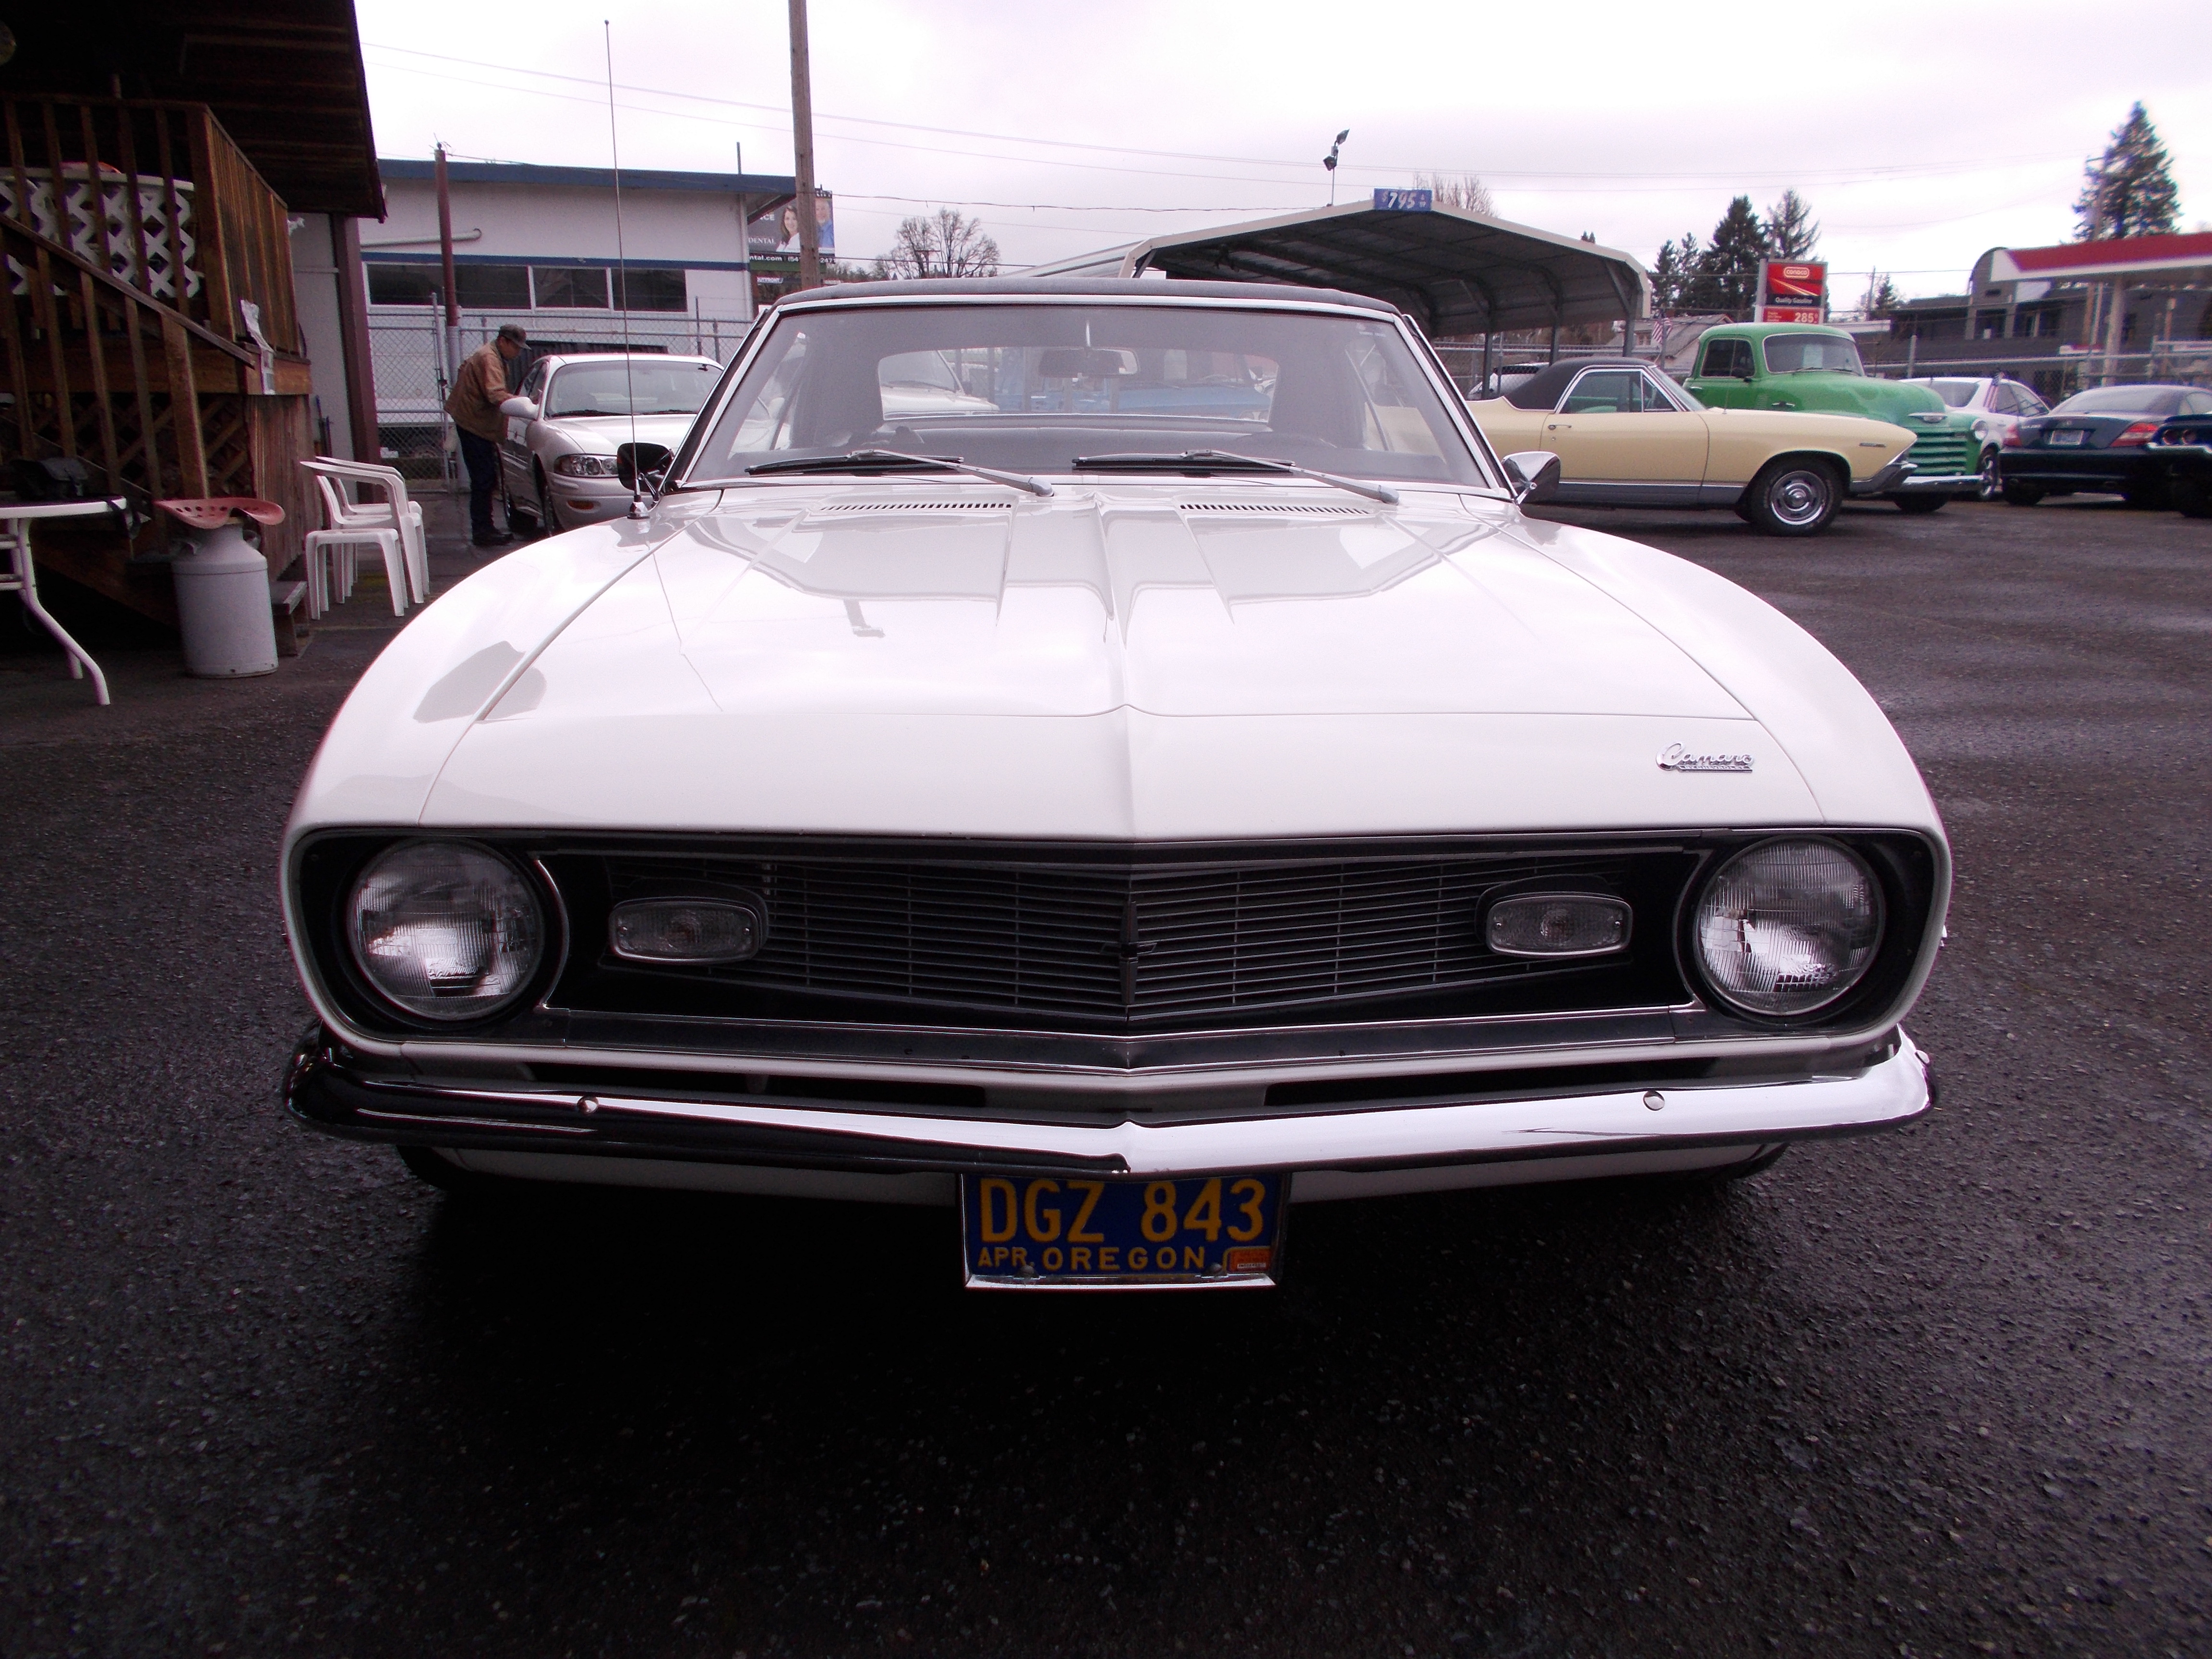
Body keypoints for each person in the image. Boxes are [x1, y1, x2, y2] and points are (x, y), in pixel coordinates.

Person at [444, 323, 528, 549]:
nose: (518, 353)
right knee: (483, 479)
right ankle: (482, 531)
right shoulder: (490, 358)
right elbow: (495, 394)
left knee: (485, 478)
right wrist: (524, 404)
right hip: (475, 424)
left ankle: (485, 528)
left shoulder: (489, 354)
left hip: (473, 422)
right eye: (516, 347)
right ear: (503, 341)